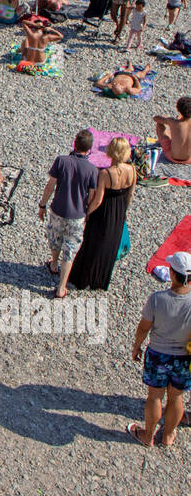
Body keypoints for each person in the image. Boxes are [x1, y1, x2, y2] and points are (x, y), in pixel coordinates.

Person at [128, 252, 191, 448]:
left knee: (155, 396)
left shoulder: (157, 299)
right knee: (177, 397)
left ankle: (148, 435)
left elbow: (144, 327)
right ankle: (168, 435)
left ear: (172, 274)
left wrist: (137, 345)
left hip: (158, 354)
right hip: (184, 357)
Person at [68, 137, 136, 292]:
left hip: (104, 213)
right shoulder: (132, 170)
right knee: (110, 246)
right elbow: (130, 194)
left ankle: (83, 278)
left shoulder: (106, 173)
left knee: (93, 244)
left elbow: (98, 200)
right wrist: (123, 211)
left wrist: (87, 213)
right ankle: (100, 279)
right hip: (119, 211)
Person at [39, 130, 99, 299]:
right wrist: (88, 212)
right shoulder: (92, 170)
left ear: (74, 143)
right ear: (89, 148)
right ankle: (61, 286)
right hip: (77, 214)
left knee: (54, 238)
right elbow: (93, 194)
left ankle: (54, 264)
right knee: (70, 250)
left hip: (58, 209)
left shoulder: (61, 161)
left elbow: (50, 185)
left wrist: (42, 204)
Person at [154, 97, 191, 163]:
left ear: (178, 109)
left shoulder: (173, 122)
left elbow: (156, 118)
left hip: (172, 156)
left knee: (160, 124)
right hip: (189, 159)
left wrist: (167, 118)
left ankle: (160, 141)